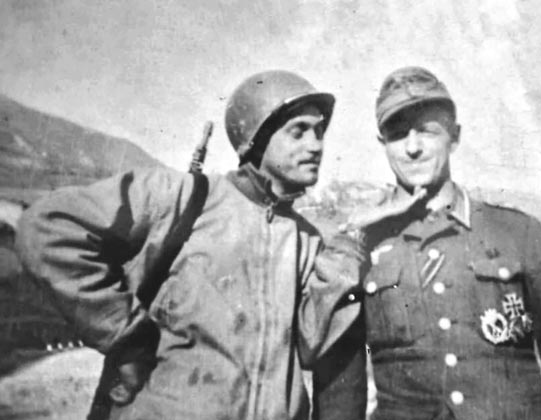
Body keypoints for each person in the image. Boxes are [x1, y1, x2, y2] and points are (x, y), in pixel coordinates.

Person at [16, 70, 365, 420]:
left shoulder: (309, 242)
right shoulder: (182, 198)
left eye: (319, 132)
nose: (316, 145)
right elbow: (47, 228)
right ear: (257, 139)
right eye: (298, 131)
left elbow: (317, 345)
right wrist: (127, 339)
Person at [331, 66, 541, 420]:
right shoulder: (363, 247)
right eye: (398, 135)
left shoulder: (517, 233)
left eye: (428, 131)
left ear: (454, 136)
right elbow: (342, 382)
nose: (413, 147)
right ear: (383, 144)